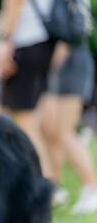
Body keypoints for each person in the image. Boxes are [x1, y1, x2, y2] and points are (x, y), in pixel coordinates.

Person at [0, 0, 58, 179]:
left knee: (24, 119)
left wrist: (4, 40)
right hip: (40, 42)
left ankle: (48, 185)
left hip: (24, 42)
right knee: (2, 112)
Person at [40, 44, 97, 213]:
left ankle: (92, 188)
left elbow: (68, 32)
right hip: (62, 63)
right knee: (51, 131)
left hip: (70, 60)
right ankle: (54, 188)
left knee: (65, 131)